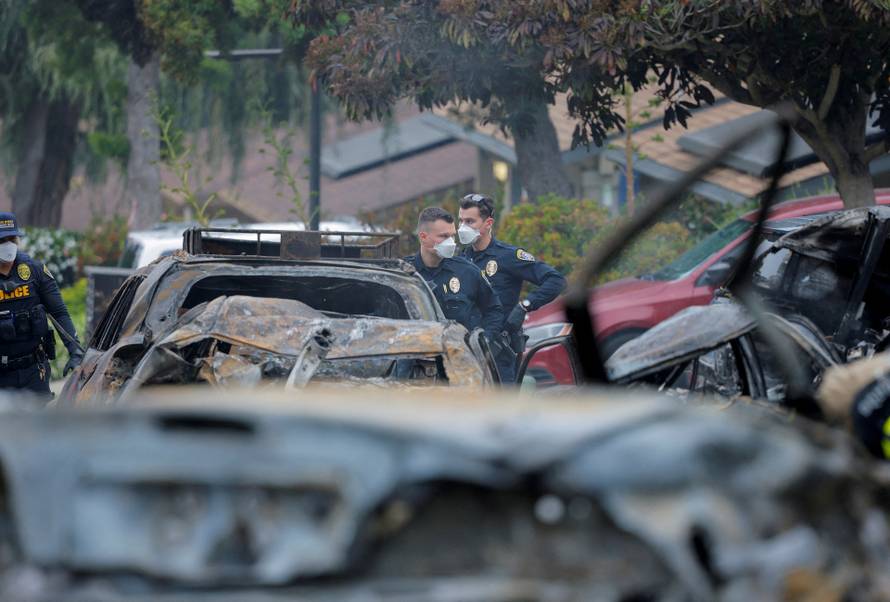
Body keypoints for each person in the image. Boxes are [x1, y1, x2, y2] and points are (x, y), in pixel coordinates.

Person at [458, 193, 567, 383]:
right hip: (467, 351)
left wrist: (525, 305)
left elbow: (555, 280)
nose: (463, 228)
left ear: (488, 223)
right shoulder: (460, 259)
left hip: (500, 353)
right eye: (460, 221)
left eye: (470, 221)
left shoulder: (509, 256)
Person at [0, 212, 83, 398]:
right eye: (2, 240)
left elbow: (59, 312)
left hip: (33, 372)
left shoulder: (34, 270)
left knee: (35, 426)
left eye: (12, 239)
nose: (8, 245)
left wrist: (75, 350)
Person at [405, 206, 504, 346]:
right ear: (423, 237)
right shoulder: (404, 274)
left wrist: (484, 342)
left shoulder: (467, 272)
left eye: (452, 236)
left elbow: (494, 310)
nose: (451, 242)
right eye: (444, 236)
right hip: (415, 358)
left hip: (460, 360)